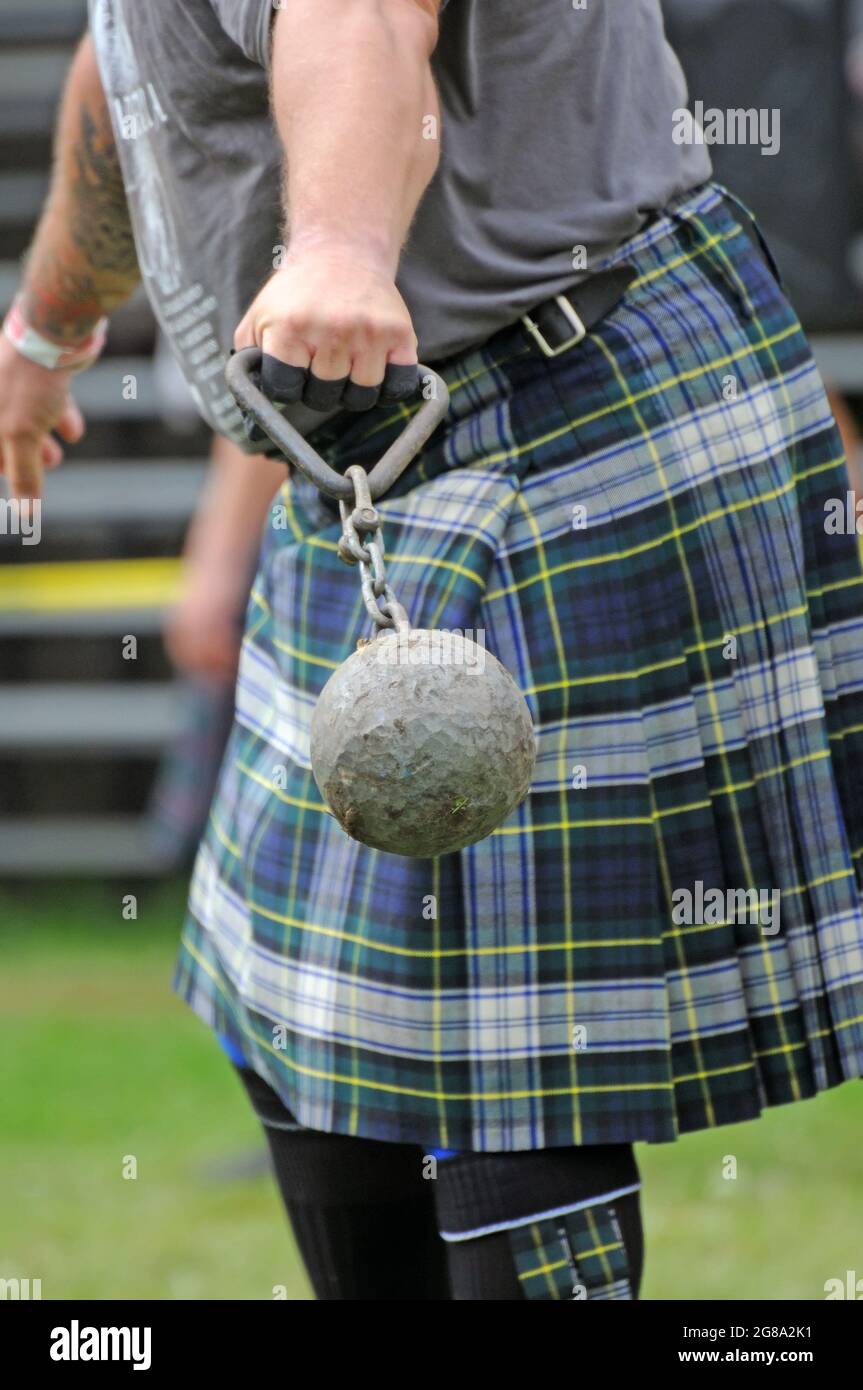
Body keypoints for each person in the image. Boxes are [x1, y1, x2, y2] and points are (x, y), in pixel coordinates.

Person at [2, 0, 862, 1302]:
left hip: (557, 413)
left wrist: (342, 247)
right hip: (363, 455)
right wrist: (47, 330)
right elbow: (133, 67)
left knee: (502, 1067)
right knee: (302, 1028)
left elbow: (360, 16)